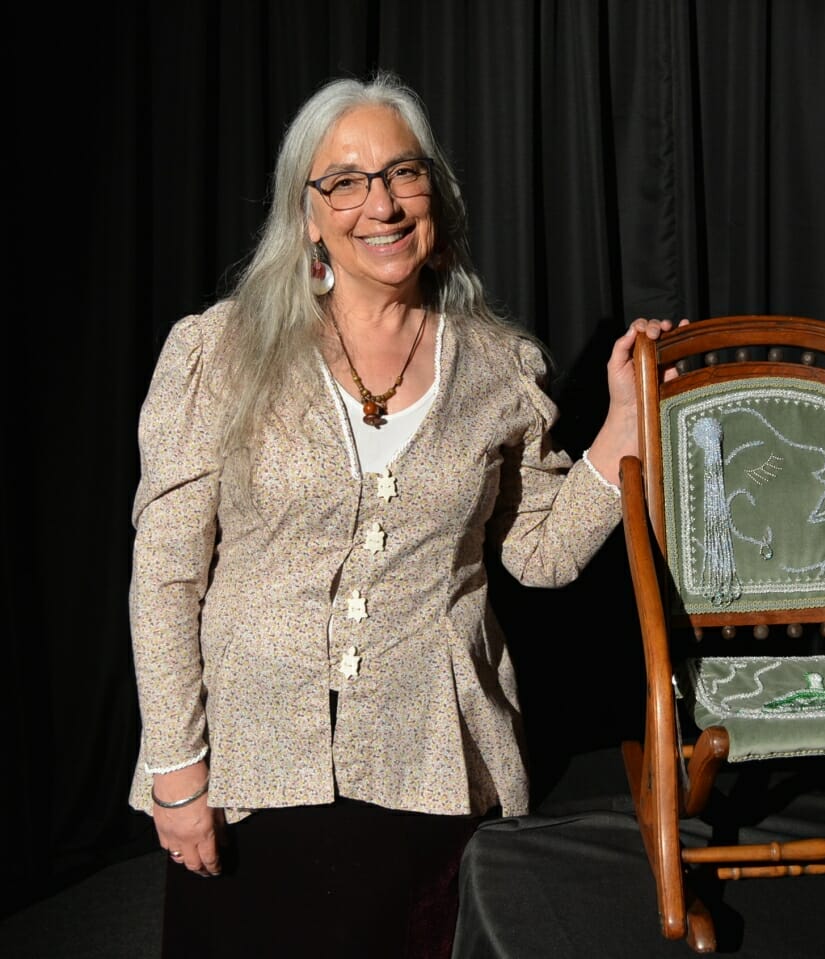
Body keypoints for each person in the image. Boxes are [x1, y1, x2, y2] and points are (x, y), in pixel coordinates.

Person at [128, 68, 681, 958]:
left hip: (429, 767)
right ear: (306, 214)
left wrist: (621, 429)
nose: (379, 204)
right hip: (252, 768)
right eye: (344, 181)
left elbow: (538, 553)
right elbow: (165, 574)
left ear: (437, 194)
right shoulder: (221, 352)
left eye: (403, 174)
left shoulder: (502, 366)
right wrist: (178, 773)